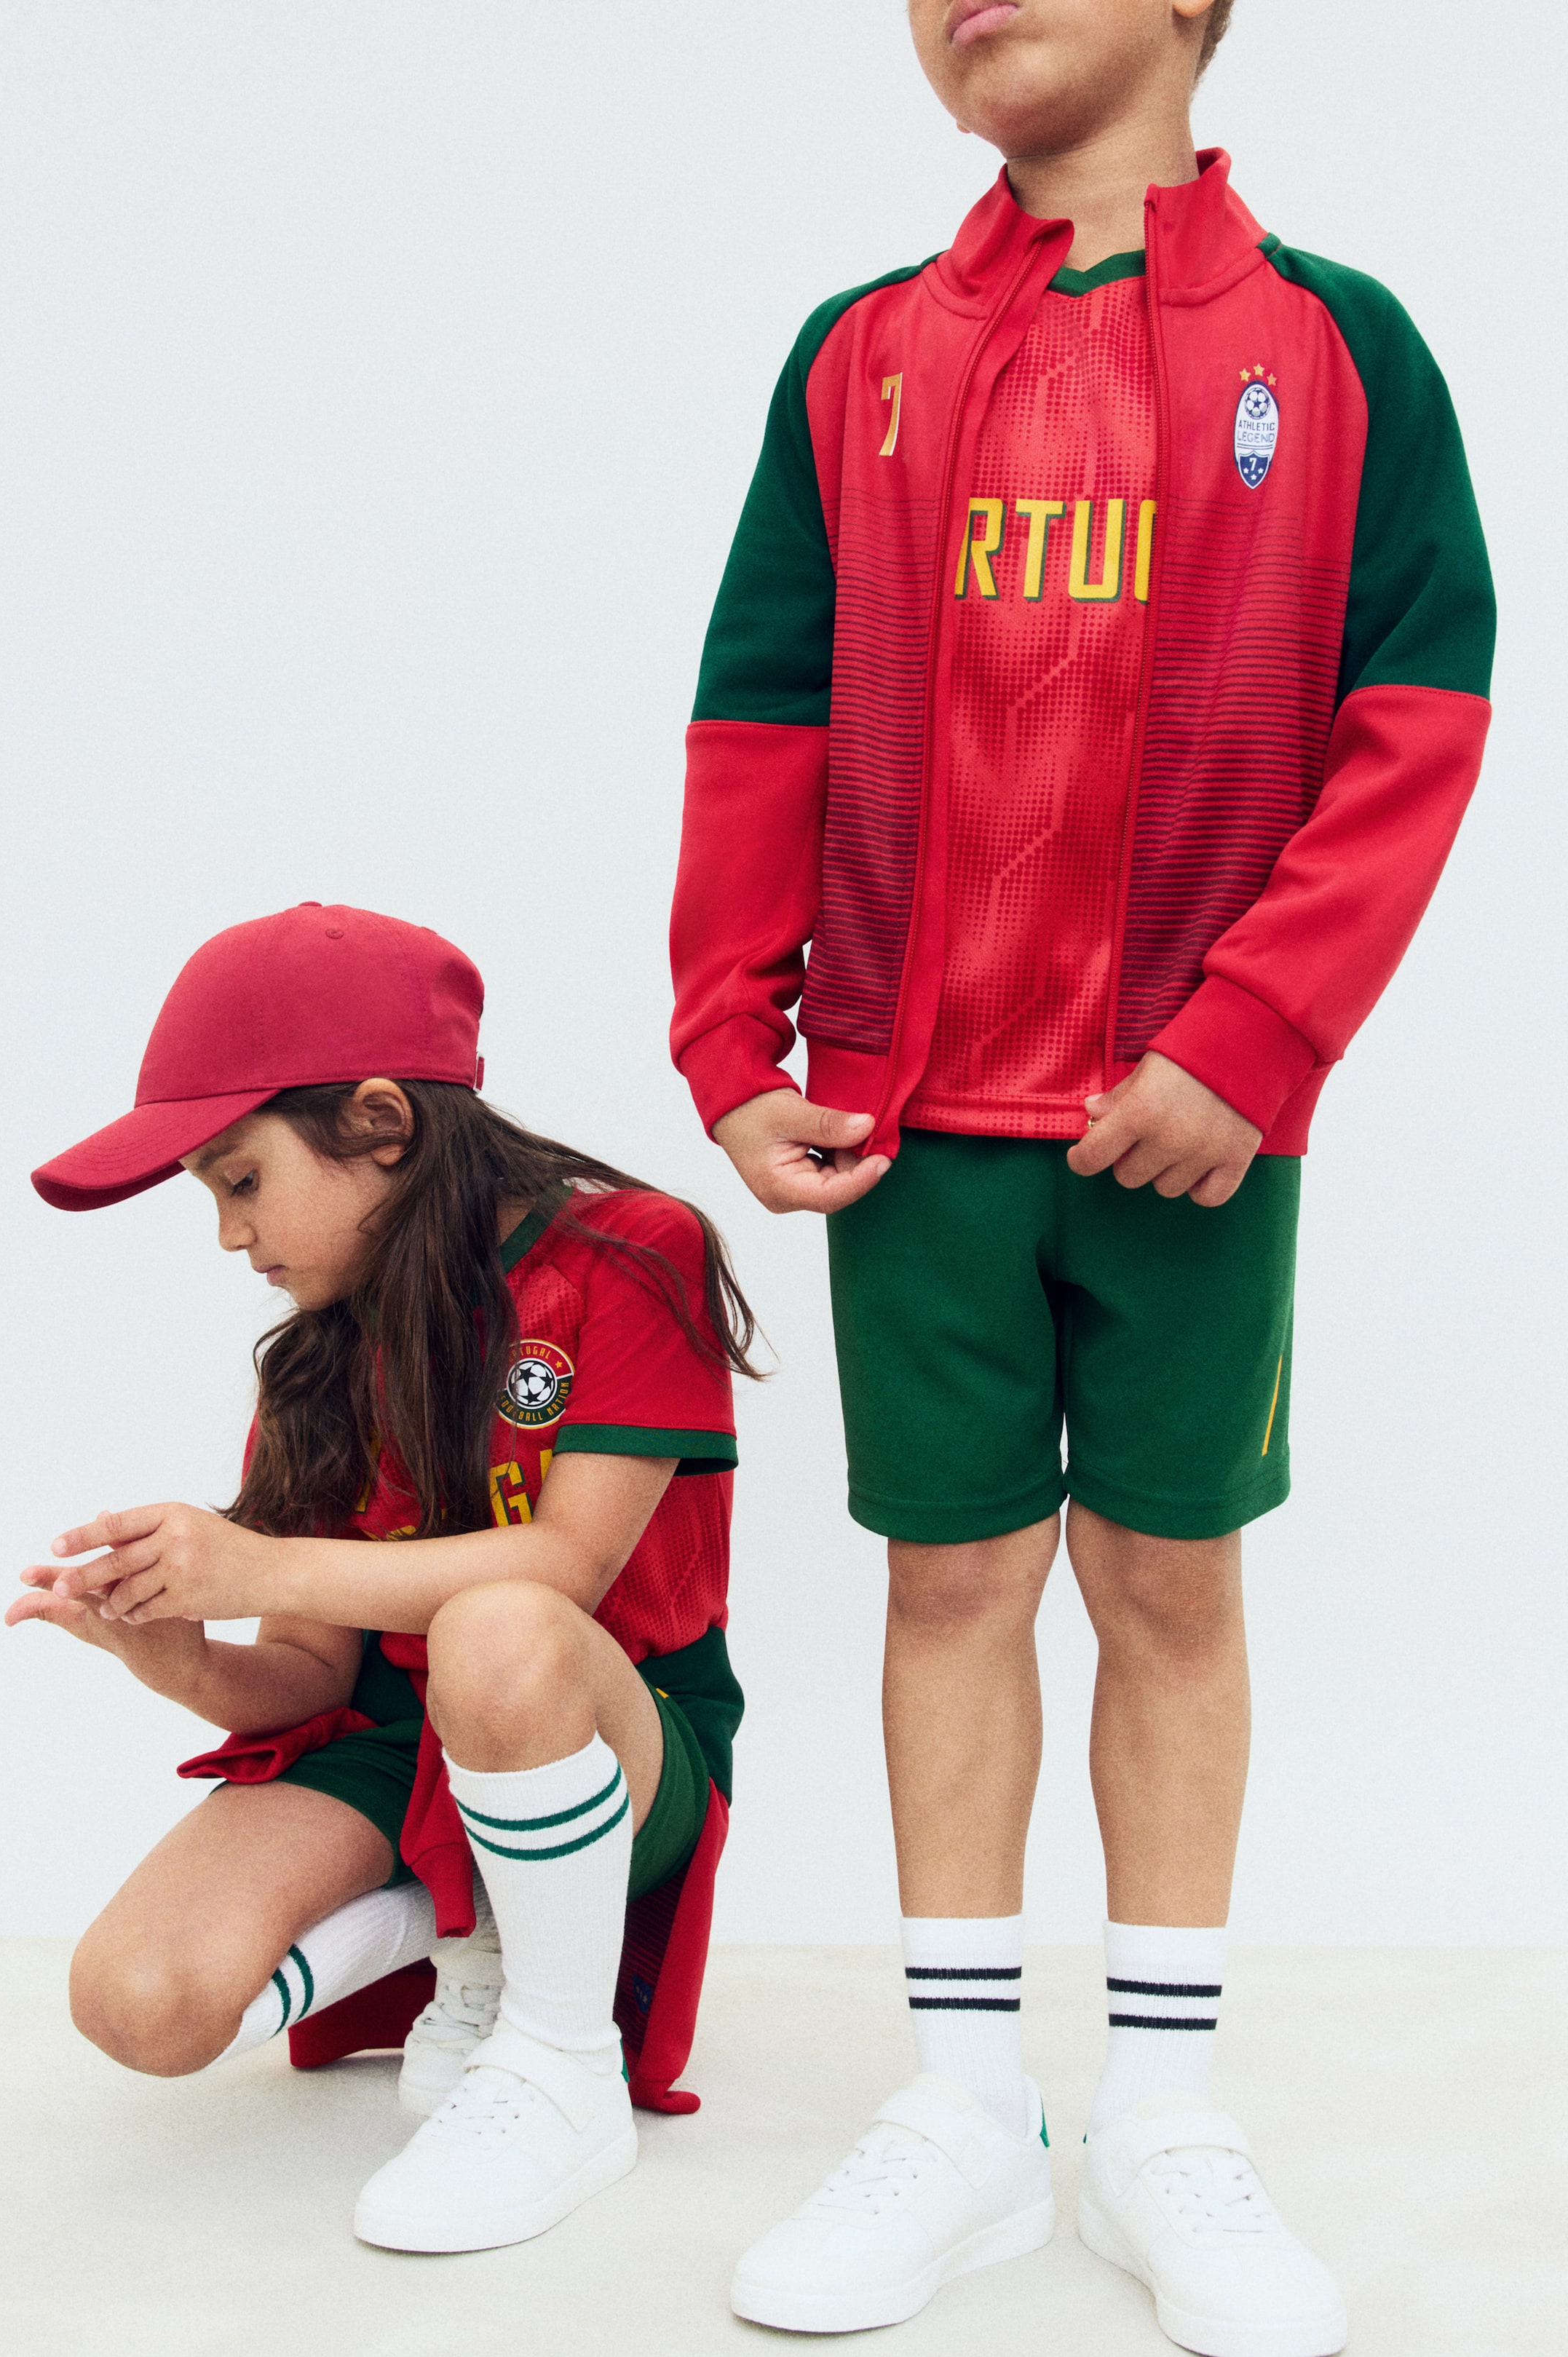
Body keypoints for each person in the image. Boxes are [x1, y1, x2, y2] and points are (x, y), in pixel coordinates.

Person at [669, 0, 1492, 2345]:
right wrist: (732, 1033)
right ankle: (961, 2105)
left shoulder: (1340, 346)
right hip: (912, 1122)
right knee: (948, 1581)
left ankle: (1161, 2107)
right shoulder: (858, 357)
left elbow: (1419, 716)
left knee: (1170, 1582)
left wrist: (1253, 1036)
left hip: (1188, 1135)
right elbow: (761, 704)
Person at [14, 900, 752, 2254]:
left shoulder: (634, 1253)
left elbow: (567, 1567)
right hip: (398, 1737)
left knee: (500, 1627)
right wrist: (171, 1648)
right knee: (139, 2000)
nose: (229, 1234)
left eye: (242, 1180)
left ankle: (559, 2057)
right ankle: (464, 1921)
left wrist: (256, 1557)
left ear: (381, 1122)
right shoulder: (319, 1354)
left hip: (607, 1730)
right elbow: (308, 1676)